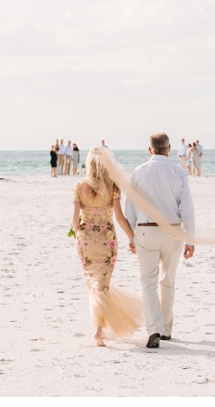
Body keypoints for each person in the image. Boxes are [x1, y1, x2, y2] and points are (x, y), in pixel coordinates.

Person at [124, 132, 195, 348]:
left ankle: (154, 329)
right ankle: (165, 329)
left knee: (148, 282)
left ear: (150, 149)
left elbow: (130, 207)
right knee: (168, 280)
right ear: (169, 148)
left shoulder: (138, 172)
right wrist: (190, 238)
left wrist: (131, 236)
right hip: (173, 232)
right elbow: (188, 208)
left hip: (145, 230)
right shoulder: (178, 172)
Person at [72, 147, 142, 346]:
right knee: (102, 284)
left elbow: (75, 221)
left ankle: (99, 330)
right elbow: (119, 218)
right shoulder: (112, 187)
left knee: (93, 284)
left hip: (85, 241)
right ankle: (99, 331)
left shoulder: (78, 186)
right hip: (107, 240)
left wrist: (79, 237)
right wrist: (132, 238)